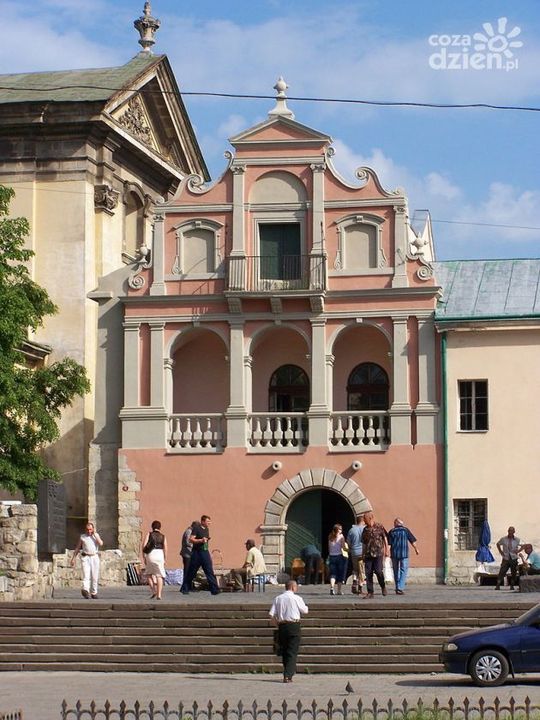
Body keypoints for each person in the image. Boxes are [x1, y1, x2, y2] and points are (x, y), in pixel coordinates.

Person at [269, 579, 309, 683]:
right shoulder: (297, 598)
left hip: (282, 625)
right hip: (294, 625)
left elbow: (271, 614)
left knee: (284, 650)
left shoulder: (278, 598)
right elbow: (305, 610)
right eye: (296, 587)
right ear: (292, 587)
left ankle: (287, 672)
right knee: (292, 650)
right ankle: (288, 675)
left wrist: (277, 624)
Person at [180, 514, 220, 595]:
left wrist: (206, 540)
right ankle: (185, 588)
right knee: (192, 571)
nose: (209, 523)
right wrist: (200, 540)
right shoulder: (196, 528)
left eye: (210, 521)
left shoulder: (207, 529)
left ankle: (214, 590)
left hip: (205, 551)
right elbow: (191, 539)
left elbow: (205, 540)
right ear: (202, 521)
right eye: (208, 521)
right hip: (197, 553)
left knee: (209, 570)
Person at [70, 521, 103, 599]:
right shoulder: (83, 537)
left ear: (93, 529)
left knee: (94, 576)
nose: (89, 531)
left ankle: (94, 592)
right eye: (87, 529)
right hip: (86, 557)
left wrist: (95, 535)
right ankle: (85, 590)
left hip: (94, 556)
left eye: (90, 529)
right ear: (85, 529)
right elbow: (78, 547)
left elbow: (101, 543)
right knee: (86, 574)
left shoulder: (96, 535)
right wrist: (73, 558)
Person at [387, 518, 419, 595]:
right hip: (404, 554)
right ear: (401, 523)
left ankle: (397, 586)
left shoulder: (391, 531)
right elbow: (412, 541)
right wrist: (416, 549)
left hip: (394, 554)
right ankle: (400, 588)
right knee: (403, 570)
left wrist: (387, 552)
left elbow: (389, 544)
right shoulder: (406, 530)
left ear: (395, 524)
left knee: (395, 570)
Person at [361, 511, 389, 599]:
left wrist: (387, 550)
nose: (364, 521)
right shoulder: (365, 530)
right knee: (368, 573)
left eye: (365, 519)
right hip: (368, 554)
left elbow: (385, 539)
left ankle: (383, 586)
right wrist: (362, 554)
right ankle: (370, 592)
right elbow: (364, 543)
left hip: (378, 553)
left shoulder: (379, 526)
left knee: (378, 571)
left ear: (370, 518)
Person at [142, 520, 167, 600]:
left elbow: (144, 546)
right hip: (160, 555)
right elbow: (165, 548)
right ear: (160, 527)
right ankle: (159, 595)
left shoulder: (149, 534)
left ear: (152, 527)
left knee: (149, 574)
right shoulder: (163, 536)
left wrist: (144, 557)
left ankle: (153, 591)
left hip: (151, 554)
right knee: (159, 575)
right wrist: (165, 558)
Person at [346, 514, 366, 595]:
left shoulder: (351, 530)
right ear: (362, 521)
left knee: (355, 569)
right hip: (363, 552)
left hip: (354, 552)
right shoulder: (365, 529)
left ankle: (354, 581)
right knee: (362, 570)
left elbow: (348, 542)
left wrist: (351, 549)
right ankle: (360, 587)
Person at [327, 524, 347, 596]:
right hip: (339, 556)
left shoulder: (330, 536)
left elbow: (329, 548)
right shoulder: (341, 537)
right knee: (340, 574)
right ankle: (339, 590)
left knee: (333, 573)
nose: (341, 530)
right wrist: (348, 550)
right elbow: (343, 547)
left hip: (332, 556)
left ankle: (332, 588)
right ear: (338, 530)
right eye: (340, 529)